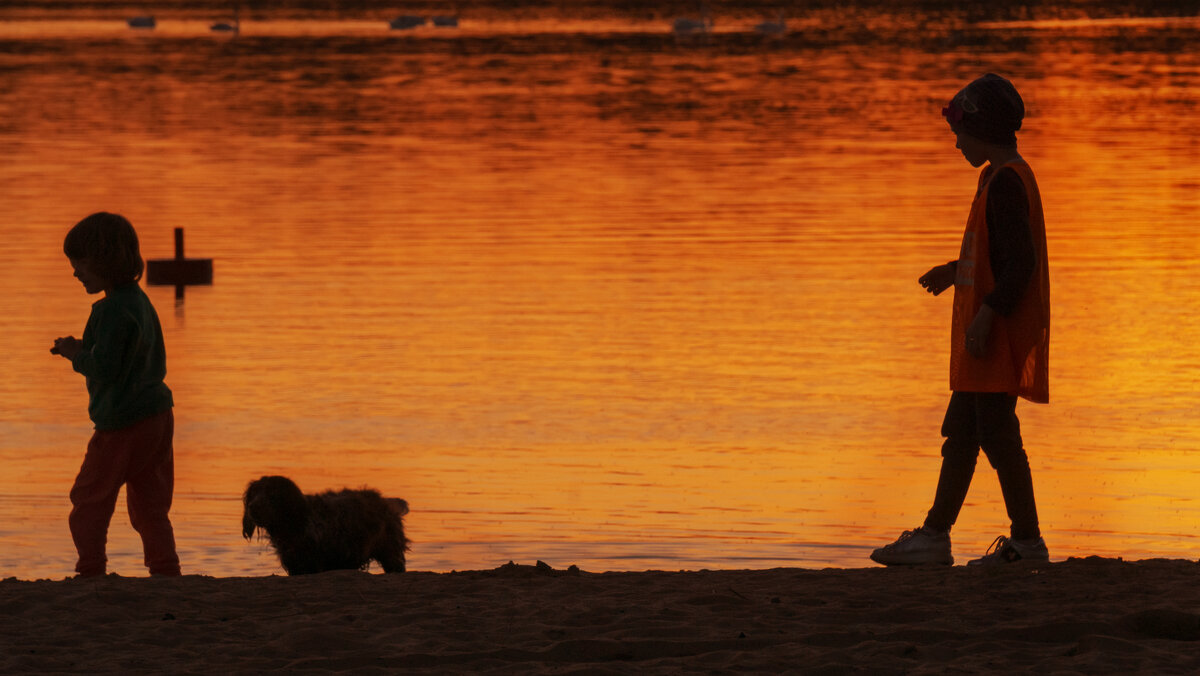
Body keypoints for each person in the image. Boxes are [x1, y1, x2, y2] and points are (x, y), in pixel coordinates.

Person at [870, 73, 1051, 567]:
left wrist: (986, 317)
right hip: (985, 338)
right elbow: (995, 253)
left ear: (983, 128)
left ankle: (1028, 542)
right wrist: (955, 272)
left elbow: (1020, 266)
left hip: (995, 336)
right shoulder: (994, 178)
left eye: (960, 131)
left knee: (996, 435)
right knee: (963, 433)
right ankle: (935, 535)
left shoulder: (1007, 184)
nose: (956, 141)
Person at [51, 212, 181, 577]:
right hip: (157, 417)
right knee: (150, 504)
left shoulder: (110, 311)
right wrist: (84, 349)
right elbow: (127, 357)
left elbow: (105, 369)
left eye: (81, 264)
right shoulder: (138, 301)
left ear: (104, 262)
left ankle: (90, 568)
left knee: (89, 499)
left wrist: (75, 355)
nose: (76, 272)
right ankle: (166, 569)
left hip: (121, 424)